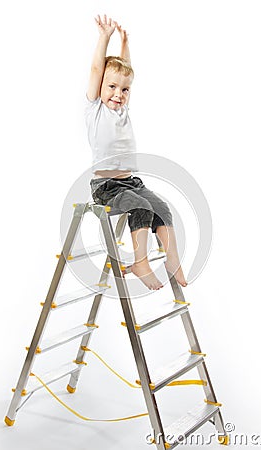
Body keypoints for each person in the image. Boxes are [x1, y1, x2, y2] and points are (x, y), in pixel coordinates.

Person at [85, 14, 187, 290]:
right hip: (105, 186)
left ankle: (172, 258)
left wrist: (125, 41)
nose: (118, 94)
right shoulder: (96, 109)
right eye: (112, 87)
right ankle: (140, 261)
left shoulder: (123, 109)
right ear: (101, 88)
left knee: (162, 208)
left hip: (131, 182)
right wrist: (105, 37)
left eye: (124, 90)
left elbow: (126, 69)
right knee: (139, 206)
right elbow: (97, 69)